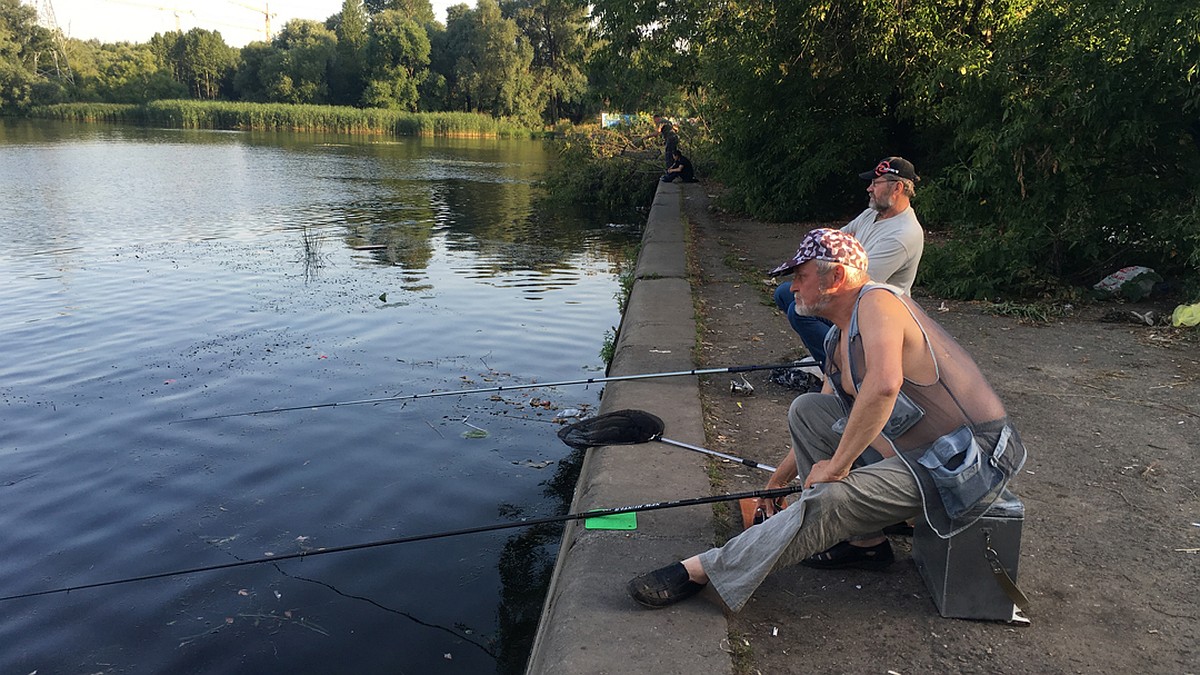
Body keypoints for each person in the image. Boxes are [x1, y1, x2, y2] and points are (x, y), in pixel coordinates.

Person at [626, 228, 1026, 611]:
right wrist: (778, 481)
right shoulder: (839, 335)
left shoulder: (879, 302)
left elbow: (885, 385)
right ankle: (863, 544)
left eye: (800, 276)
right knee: (807, 409)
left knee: (832, 495)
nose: (792, 287)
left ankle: (706, 570)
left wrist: (838, 468)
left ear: (836, 276)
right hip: (914, 455)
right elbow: (828, 417)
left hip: (965, 463)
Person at [774, 157, 925, 368]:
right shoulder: (872, 214)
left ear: (897, 188)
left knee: (800, 312)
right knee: (784, 293)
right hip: (854, 293)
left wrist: (817, 281)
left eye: (875, 183)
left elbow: (857, 283)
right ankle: (828, 354)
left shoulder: (903, 234)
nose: (869, 188)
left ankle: (843, 368)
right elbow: (834, 242)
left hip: (874, 311)